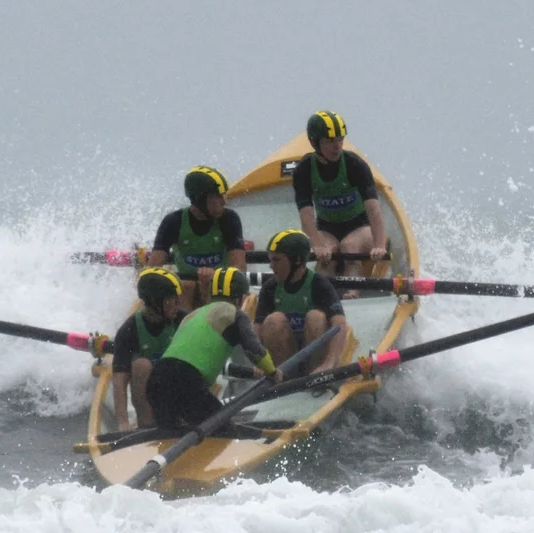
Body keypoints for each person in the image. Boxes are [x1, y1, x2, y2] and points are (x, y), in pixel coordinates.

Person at [145, 267, 282, 430]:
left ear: (210, 295)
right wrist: (273, 372)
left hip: (156, 379)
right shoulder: (235, 314)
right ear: (241, 298)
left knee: (171, 438)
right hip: (186, 380)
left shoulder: (190, 316)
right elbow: (254, 349)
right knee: (223, 434)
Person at [292, 111, 390, 275]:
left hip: (361, 225)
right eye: (330, 141)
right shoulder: (304, 169)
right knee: (326, 258)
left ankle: (351, 289)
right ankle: (323, 289)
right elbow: (306, 216)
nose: (337, 146)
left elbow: (373, 209)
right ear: (314, 143)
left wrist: (379, 246)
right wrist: (317, 246)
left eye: (340, 139)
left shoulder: (355, 164)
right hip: (327, 227)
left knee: (349, 248)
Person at [147, 165, 247, 306]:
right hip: (186, 291)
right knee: (187, 286)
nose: (224, 202)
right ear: (200, 199)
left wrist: (214, 277)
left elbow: (239, 267)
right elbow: (153, 269)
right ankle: (185, 319)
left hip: (222, 289)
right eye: (218, 196)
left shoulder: (229, 219)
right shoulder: (173, 222)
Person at [255, 229, 349, 372]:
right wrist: (258, 363)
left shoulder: (319, 284)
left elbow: (340, 325)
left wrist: (330, 363)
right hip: (286, 356)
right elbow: (256, 330)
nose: (271, 266)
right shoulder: (269, 288)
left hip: (316, 356)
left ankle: (317, 371)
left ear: (297, 261)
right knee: (273, 321)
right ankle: (282, 375)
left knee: (315, 317)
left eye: (277, 260)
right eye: (270, 260)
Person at [111, 268, 187, 429]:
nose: (177, 304)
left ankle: (186, 419)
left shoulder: (183, 320)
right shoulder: (129, 330)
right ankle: (147, 427)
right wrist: (123, 422)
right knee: (141, 365)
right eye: (172, 299)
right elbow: (119, 380)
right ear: (155, 302)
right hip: (150, 396)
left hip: (179, 391)